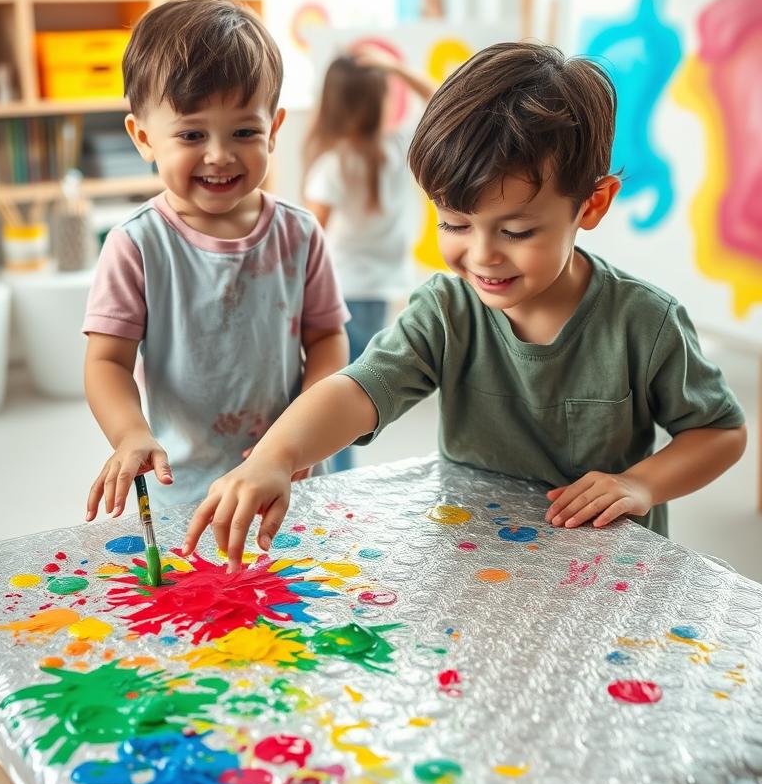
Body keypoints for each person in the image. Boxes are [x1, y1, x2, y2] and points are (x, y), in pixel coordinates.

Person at [181, 42, 747, 571]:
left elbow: (720, 431)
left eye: (518, 231)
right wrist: (274, 457)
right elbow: (358, 389)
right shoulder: (447, 309)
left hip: (605, 574)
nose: (481, 256)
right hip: (477, 564)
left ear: (592, 205)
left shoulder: (644, 321)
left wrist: (642, 484)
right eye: (454, 223)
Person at [83, 0, 349, 522]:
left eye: (244, 132)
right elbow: (106, 362)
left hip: (283, 478)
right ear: (143, 137)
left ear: (274, 129)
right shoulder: (137, 244)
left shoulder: (299, 232)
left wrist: (299, 435)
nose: (220, 154)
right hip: (181, 490)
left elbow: (327, 340)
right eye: (191, 134)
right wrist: (130, 432)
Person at [302, 48, 435, 469]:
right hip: (375, 293)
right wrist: (396, 66)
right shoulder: (398, 148)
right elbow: (440, 98)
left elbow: (308, 239)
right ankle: (338, 472)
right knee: (351, 389)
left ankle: (336, 474)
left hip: (340, 291)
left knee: (337, 390)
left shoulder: (333, 165)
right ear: (378, 99)